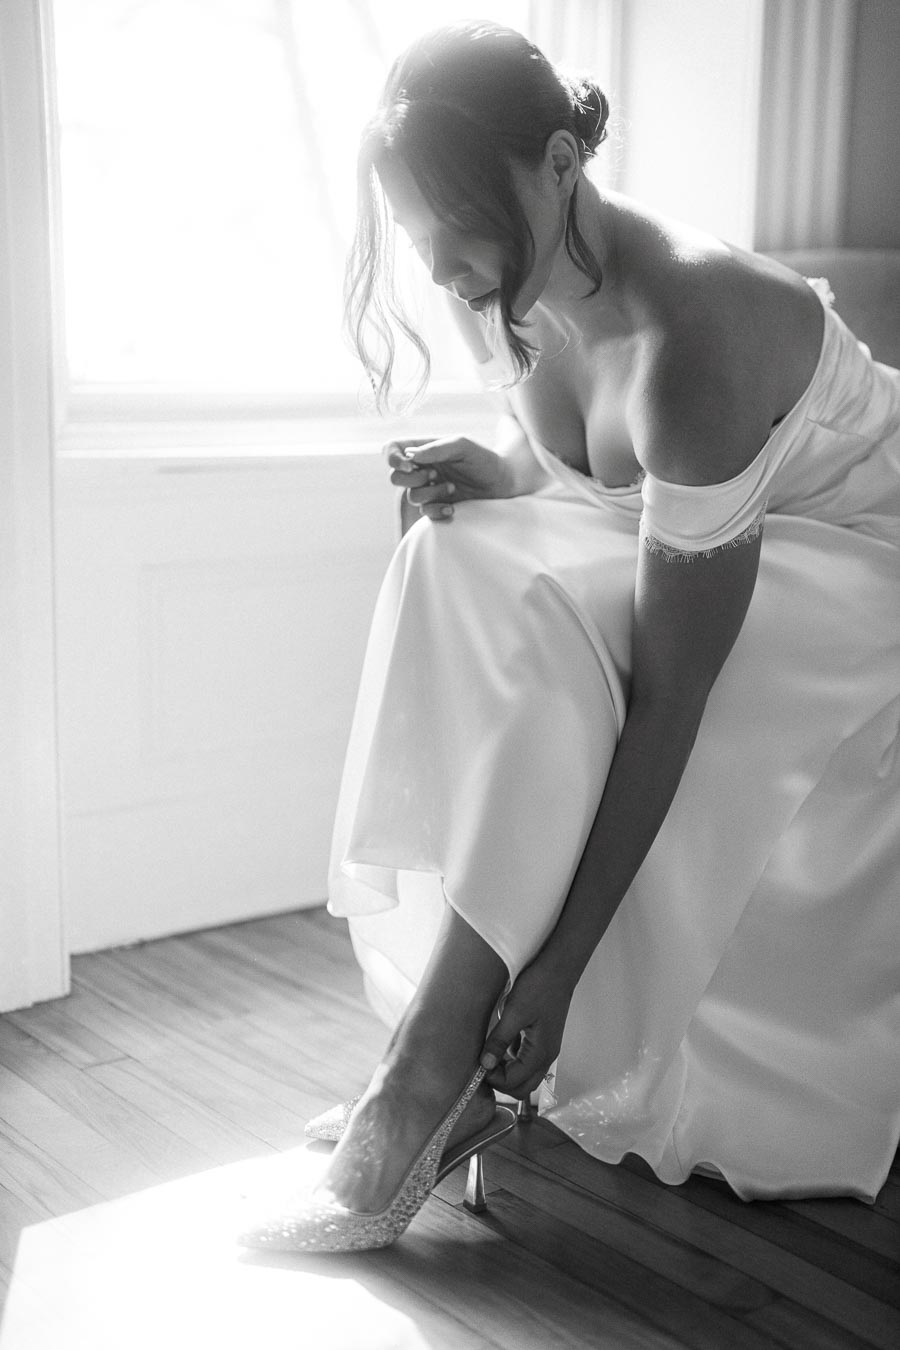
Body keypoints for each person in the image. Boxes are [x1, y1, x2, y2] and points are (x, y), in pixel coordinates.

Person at [239, 21, 900, 1252]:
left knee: (559, 624)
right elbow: (590, 462)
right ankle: (429, 1055)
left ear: (555, 160)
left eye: (455, 229)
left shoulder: (695, 334)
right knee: (459, 551)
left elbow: (673, 698)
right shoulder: (520, 270)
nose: (443, 270)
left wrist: (563, 968)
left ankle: (435, 1062)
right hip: (726, 525)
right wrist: (500, 466)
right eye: (421, 235)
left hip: (865, 557)